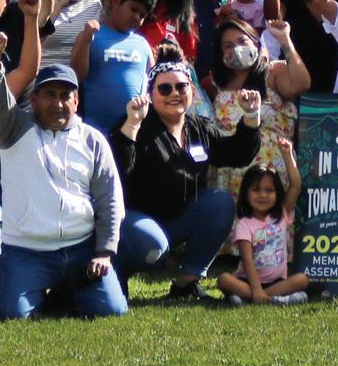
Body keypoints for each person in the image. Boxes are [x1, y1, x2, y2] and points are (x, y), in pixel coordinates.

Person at [0, 61, 133, 320]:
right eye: (49, 95)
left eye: (65, 96)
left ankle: (67, 289)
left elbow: (110, 200)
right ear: (33, 100)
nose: (57, 103)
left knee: (112, 310)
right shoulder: (13, 130)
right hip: (27, 252)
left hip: (82, 248)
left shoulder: (93, 140)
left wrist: (104, 252)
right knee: (13, 315)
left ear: (76, 101)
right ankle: (57, 289)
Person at [110, 60, 262, 298]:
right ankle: (118, 270)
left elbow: (237, 154)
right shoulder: (135, 122)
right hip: (135, 222)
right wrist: (131, 125)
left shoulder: (199, 127)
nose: (174, 94)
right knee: (154, 244)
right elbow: (118, 172)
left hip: (177, 221)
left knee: (219, 202)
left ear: (191, 90)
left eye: (181, 87)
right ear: (150, 94)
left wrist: (251, 115)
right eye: (164, 89)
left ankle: (187, 284)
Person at [217, 166, 311, 305]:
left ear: (277, 193)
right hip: (248, 281)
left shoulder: (282, 215)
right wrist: (256, 288)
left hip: (276, 283)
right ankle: (274, 299)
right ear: (246, 193)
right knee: (224, 279)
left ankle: (252, 298)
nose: (263, 195)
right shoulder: (245, 224)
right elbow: (247, 259)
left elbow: (295, 185)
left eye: (269, 190)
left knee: (302, 279)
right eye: (256, 189)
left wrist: (288, 156)